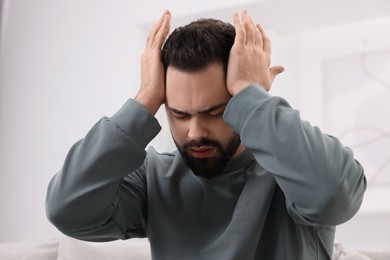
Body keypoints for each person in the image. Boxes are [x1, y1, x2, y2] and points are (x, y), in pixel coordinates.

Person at [46, 10, 366, 259]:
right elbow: (68, 210)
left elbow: (335, 196)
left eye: (214, 112)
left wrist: (249, 91)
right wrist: (144, 100)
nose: (195, 132)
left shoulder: (292, 173)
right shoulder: (153, 177)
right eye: (179, 114)